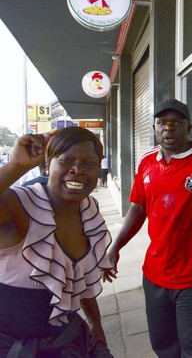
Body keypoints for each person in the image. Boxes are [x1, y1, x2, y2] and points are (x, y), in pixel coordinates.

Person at [102, 98, 192, 357]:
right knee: (164, 347)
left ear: (189, 127)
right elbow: (139, 208)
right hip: (155, 275)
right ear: (154, 127)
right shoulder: (148, 160)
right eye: (162, 123)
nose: (168, 128)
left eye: (176, 123)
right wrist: (115, 247)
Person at [0, 127, 113, 357]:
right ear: (48, 164)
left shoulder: (89, 210)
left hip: (66, 342)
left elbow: (79, 280)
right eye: (66, 160)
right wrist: (16, 166)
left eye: (89, 163)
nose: (77, 170)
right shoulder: (19, 205)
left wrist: (95, 323)